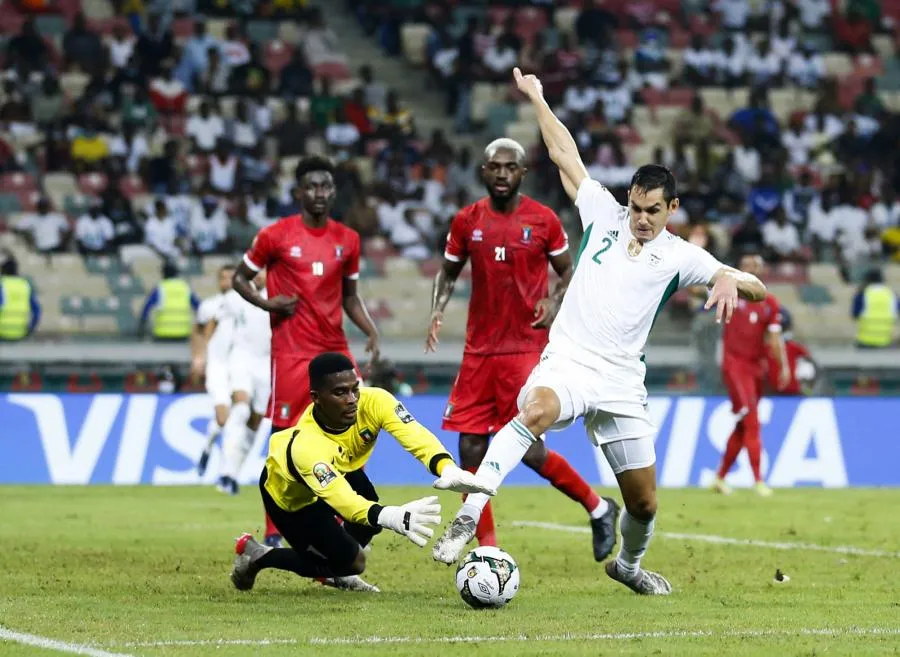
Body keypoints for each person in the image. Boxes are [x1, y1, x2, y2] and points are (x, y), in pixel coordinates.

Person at [432, 68, 768, 596]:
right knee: (534, 412)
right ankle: (470, 513)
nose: (639, 218)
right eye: (634, 206)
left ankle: (629, 566)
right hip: (568, 361)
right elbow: (565, 154)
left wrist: (727, 275)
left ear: (671, 209)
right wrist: (539, 99)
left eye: (651, 211)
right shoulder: (602, 214)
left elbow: (759, 289)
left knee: (644, 503)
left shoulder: (681, 256)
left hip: (621, 384)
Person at [426, 137, 619, 560]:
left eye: (509, 167)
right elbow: (448, 272)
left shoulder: (544, 220)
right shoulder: (466, 221)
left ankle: (599, 507)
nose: (501, 174)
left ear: (522, 173)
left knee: (529, 450)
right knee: (470, 448)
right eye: (493, 166)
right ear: (483, 171)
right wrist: (437, 309)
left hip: (526, 351)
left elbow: (571, 273)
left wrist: (554, 299)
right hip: (479, 351)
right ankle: (487, 549)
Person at [229, 352, 495, 593]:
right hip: (293, 499)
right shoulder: (308, 446)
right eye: (340, 393)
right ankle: (258, 555)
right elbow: (343, 501)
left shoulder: (375, 401)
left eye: (355, 389)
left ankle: (336, 568)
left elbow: (413, 434)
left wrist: (445, 466)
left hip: (341, 470)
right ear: (316, 398)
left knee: (367, 504)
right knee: (354, 562)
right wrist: (391, 516)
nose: (352, 400)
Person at [232, 155, 381, 547]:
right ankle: (273, 528)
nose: (319, 193)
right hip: (292, 352)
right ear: (298, 192)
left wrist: (370, 329)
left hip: (335, 350)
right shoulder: (275, 236)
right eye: (312, 186)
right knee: (283, 436)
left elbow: (350, 296)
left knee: (343, 434)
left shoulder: (347, 240)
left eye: (326, 186)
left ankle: (336, 522)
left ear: (334, 191)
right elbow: (238, 278)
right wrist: (268, 304)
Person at [711, 253, 789, 497]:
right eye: (746, 265)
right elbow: (700, 291)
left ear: (763, 270)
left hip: (756, 369)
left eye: (755, 265)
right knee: (752, 421)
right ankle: (758, 481)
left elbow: (775, 339)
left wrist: (784, 366)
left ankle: (720, 477)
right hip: (734, 367)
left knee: (744, 426)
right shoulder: (729, 293)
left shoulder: (771, 303)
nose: (751, 269)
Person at [215, 269, 272, 495]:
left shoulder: (279, 296)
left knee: (256, 420)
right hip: (241, 357)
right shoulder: (236, 296)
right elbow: (216, 327)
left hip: (267, 362)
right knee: (240, 407)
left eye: (263, 271)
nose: (258, 275)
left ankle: (233, 473)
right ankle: (225, 470)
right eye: (255, 270)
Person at [192, 265, 236, 476]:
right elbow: (198, 332)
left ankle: (217, 458)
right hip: (217, 366)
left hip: (240, 367)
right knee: (222, 416)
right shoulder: (209, 306)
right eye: (223, 277)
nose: (226, 281)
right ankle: (212, 453)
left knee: (237, 416)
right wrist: (199, 357)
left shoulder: (248, 304)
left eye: (231, 277)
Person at [139, 261, 200, 341]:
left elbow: (146, 308)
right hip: (183, 333)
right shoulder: (185, 287)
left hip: (162, 334)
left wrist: (141, 325)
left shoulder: (160, 288)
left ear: (163, 273)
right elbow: (199, 307)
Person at [766, 308, 817, 396]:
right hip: (771, 394)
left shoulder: (797, 349)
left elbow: (812, 371)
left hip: (792, 394)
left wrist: (806, 390)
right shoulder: (764, 348)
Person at [852, 268, 898, 348]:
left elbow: (855, 314)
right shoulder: (891, 295)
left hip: (865, 341)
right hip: (885, 342)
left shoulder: (863, 294)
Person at [0, 253, 41, 341]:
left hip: (2, 332)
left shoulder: (2, 284)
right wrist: (30, 328)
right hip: (20, 332)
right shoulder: (25, 285)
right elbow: (37, 311)